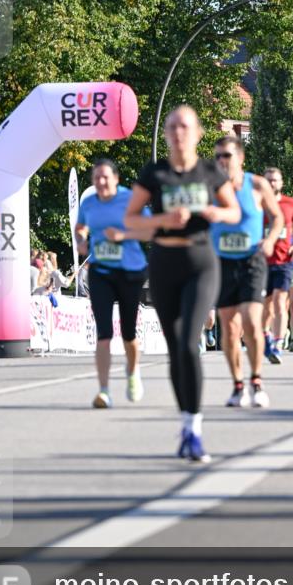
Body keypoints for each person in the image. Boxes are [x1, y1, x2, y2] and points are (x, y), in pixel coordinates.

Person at [124, 105, 240, 462]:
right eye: (172, 126)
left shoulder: (208, 171)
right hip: (164, 262)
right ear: (166, 133)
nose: (177, 132)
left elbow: (233, 212)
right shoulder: (155, 173)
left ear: (198, 133)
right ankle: (186, 423)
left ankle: (195, 429)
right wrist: (163, 219)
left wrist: (213, 213)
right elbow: (131, 221)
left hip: (201, 262)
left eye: (185, 126)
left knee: (190, 342)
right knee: (176, 349)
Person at [210, 135, 283, 407]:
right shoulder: (211, 188)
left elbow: (277, 217)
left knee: (252, 323)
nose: (221, 161)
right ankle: (238, 386)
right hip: (222, 262)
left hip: (252, 260)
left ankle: (257, 381)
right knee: (229, 330)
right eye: (217, 156)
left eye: (226, 155)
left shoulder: (256, 184)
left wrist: (271, 239)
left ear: (240, 158)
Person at [76, 159, 154, 408]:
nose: (100, 182)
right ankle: (104, 391)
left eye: (105, 177)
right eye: (96, 177)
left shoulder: (130, 200)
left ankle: (133, 373)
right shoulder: (89, 203)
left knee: (129, 334)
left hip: (130, 271)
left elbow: (149, 231)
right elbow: (81, 227)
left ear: (116, 179)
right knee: (104, 333)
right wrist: (80, 240)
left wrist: (124, 235)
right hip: (101, 271)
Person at [262, 168, 293, 364]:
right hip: (262, 262)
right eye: (268, 180)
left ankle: (277, 344)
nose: (272, 184)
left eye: (275, 180)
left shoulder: (290, 203)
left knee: (279, 302)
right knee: (265, 308)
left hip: (284, 261)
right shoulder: (258, 203)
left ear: (281, 183)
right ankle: (266, 337)